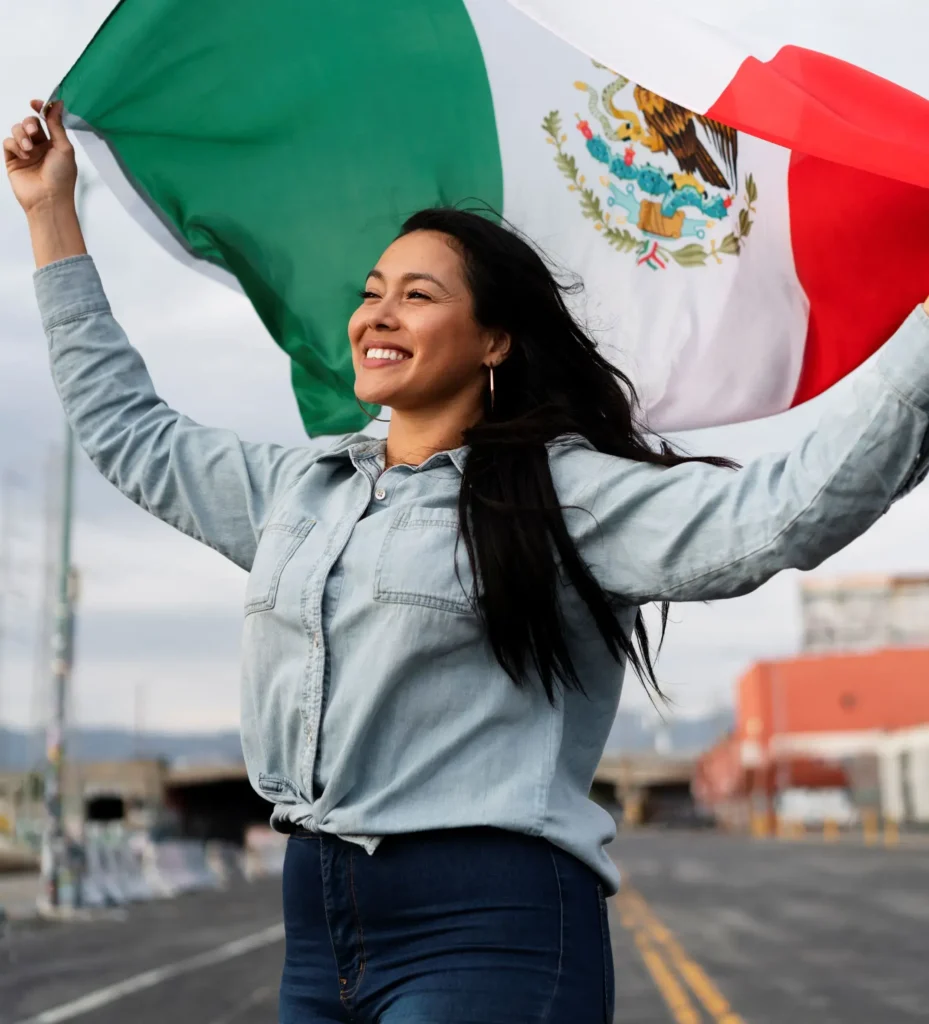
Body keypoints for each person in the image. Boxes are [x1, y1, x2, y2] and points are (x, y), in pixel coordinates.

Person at [6, 100, 929, 1024]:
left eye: (418, 294)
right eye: (373, 290)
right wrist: (53, 215)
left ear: (494, 340)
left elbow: (780, 515)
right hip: (318, 934)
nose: (378, 312)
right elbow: (129, 432)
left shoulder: (563, 495)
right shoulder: (299, 489)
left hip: (489, 930)